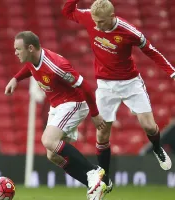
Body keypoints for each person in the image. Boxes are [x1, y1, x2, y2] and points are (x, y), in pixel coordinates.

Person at [62, 0, 173, 194]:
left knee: (148, 125)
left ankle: (157, 148)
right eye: (95, 21)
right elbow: (67, 11)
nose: (97, 25)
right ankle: (105, 177)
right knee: (102, 133)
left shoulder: (129, 32)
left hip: (130, 83)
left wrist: (172, 72)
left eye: (102, 22)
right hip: (105, 86)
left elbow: (151, 51)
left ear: (112, 17)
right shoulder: (90, 18)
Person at [5, 31, 107, 200]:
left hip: (73, 103)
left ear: (30, 48)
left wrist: (95, 114)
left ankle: (93, 171)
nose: (15, 52)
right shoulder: (33, 59)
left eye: (18, 49)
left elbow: (85, 86)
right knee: (52, 155)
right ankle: (95, 186)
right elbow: (30, 68)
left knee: (48, 140)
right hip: (57, 105)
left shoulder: (56, 66)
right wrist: (16, 78)